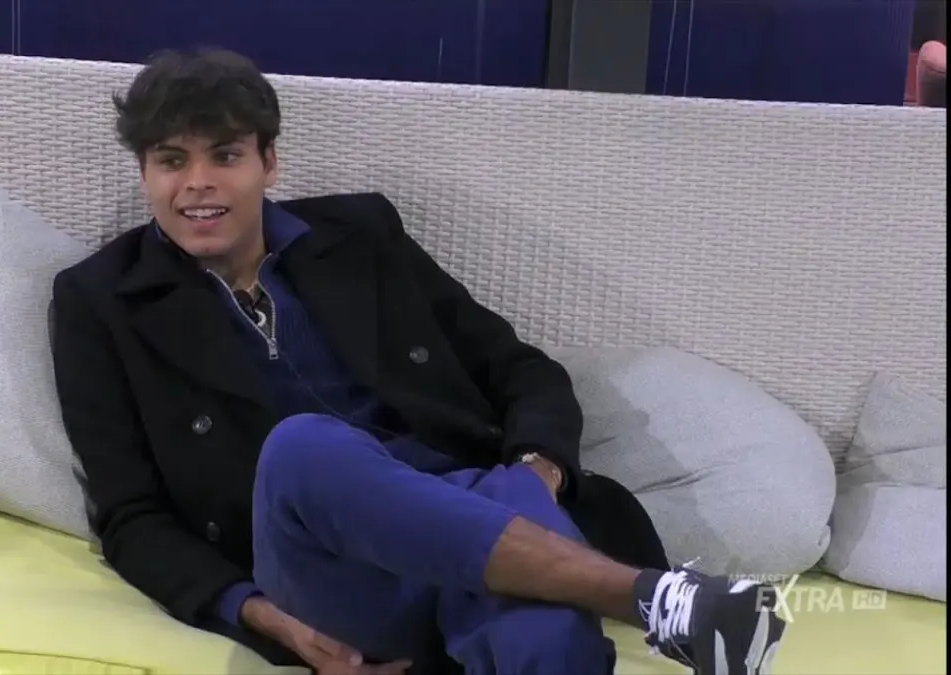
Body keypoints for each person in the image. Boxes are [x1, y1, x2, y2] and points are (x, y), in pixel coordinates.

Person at [50, 48, 786, 675]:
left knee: (544, 638)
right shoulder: (100, 302)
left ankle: (624, 594)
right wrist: (266, 619)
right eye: (171, 161)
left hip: (480, 517)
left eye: (225, 155)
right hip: (324, 568)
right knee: (305, 446)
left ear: (268, 162)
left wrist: (538, 472)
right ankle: (653, 598)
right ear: (145, 174)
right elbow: (131, 518)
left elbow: (520, 370)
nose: (197, 183)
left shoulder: (361, 237)